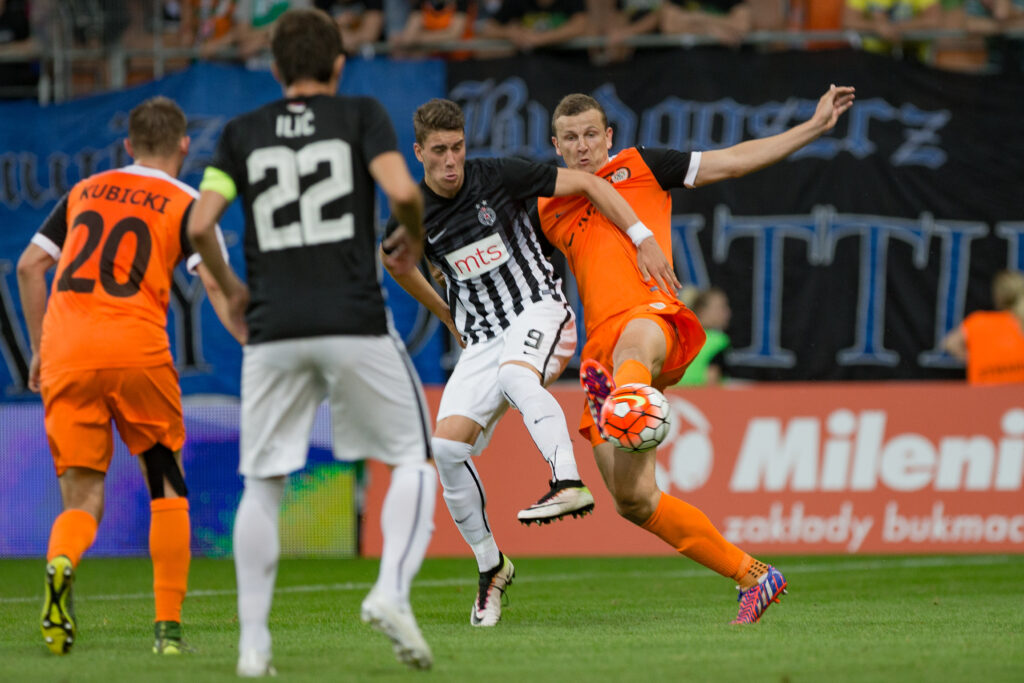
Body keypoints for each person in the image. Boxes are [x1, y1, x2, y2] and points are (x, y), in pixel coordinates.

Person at [537, 83, 855, 623]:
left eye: (592, 134)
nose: (583, 145)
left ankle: (626, 395)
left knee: (634, 340)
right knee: (632, 499)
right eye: (571, 138)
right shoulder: (545, 202)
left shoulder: (642, 166)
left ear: (609, 136)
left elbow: (730, 162)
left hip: (651, 321)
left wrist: (812, 127)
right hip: (599, 349)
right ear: (556, 145)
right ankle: (753, 575)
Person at [187, 8, 437, 675]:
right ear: (339, 64)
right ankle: (389, 590)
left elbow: (200, 222)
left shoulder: (241, 132)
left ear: (274, 69)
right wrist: (410, 232)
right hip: (351, 316)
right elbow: (401, 189)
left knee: (261, 483)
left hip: (271, 327)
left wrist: (230, 286)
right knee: (412, 458)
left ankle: (252, 646)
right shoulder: (360, 115)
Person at [383, 98, 661, 627]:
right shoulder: (412, 210)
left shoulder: (498, 176)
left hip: (540, 310)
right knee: (444, 448)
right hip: (484, 339)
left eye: (457, 147)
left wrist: (641, 237)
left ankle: (567, 482)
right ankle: (492, 567)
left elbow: (591, 184)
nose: (450, 161)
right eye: (438, 151)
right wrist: (446, 315)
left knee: (517, 374)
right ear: (418, 152)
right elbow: (393, 259)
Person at [16, 96, 240, 656]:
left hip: (66, 351)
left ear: (127, 147)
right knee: (167, 482)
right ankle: (167, 630)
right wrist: (252, 341)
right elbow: (214, 283)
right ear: (184, 146)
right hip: (136, 349)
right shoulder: (188, 202)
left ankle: (63, 561)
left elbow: (28, 266)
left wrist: (41, 349)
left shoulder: (85, 190)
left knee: (82, 497)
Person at [942, 270, 1024, 384]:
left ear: (998, 296)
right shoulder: (1020, 322)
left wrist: (975, 359)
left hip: (984, 394)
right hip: (1018, 393)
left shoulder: (978, 322)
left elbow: (949, 343)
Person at [676, 285, 731, 386]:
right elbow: (712, 380)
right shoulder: (718, 340)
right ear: (702, 311)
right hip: (697, 397)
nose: (727, 312)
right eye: (721, 307)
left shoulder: (675, 335)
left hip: (669, 397)